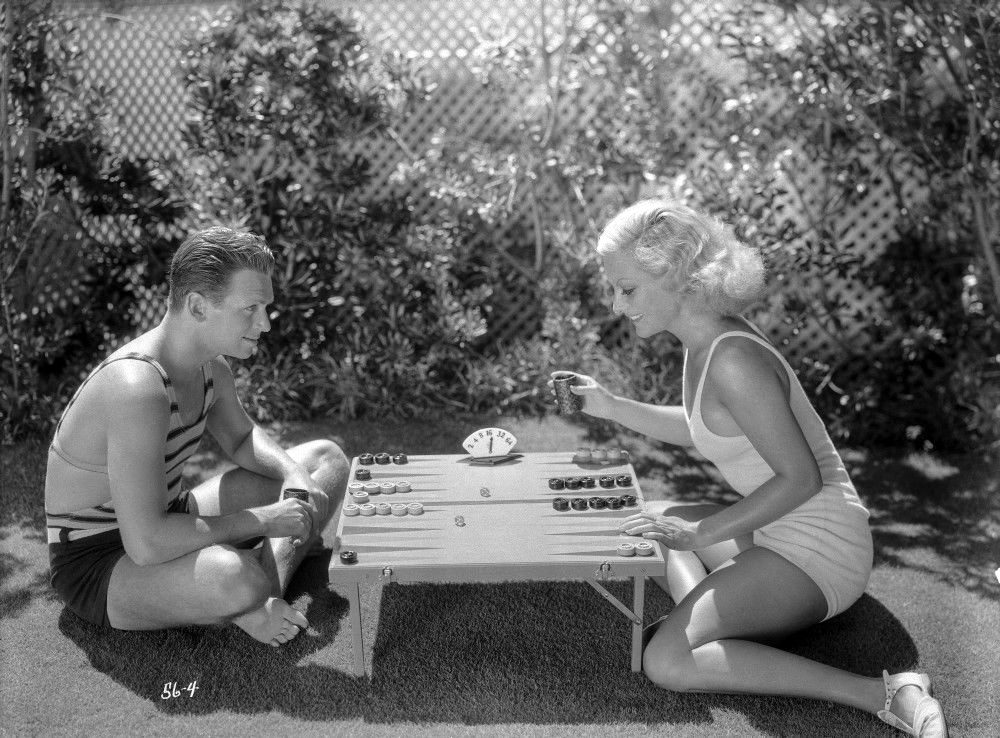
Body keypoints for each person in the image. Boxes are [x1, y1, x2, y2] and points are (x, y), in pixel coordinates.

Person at [553, 199, 947, 737]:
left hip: (818, 551)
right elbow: (702, 426)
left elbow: (802, 478)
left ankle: (885, 691)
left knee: (664, 662)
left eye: (627, 289)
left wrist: (701, 533)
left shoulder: (733, 359)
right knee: (655, 521)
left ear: (677, 279)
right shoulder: (706, 339)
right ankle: (700, 615)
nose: (618, 306)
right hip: (773, 532)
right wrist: (610, 405)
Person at [44, 226, 349, 647]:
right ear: (198, 306)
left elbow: (242, 441)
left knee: (325, 461)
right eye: (251, 308)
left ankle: (261, 592)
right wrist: (264, 520)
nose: (264, 323)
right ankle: (250, 587)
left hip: (172, 515)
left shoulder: (212, 368)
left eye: (266, 307)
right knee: (233, 577)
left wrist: (293, 474)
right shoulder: (138, 388)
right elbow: (147, 544)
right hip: (102, 561)